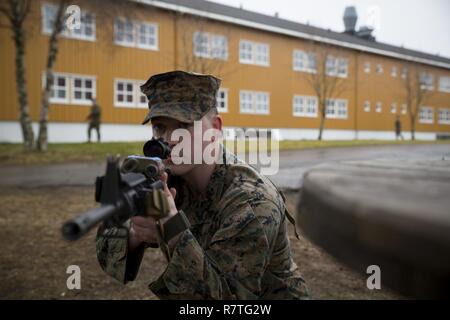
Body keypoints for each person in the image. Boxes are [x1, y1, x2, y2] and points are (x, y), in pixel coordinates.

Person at [95, 70, 309, 299]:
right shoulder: (165, 177)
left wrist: (172, 230)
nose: (168, 139)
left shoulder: (252, 201)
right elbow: (106, 254)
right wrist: (136, 234)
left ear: (215, 128)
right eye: (159, 127)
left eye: (183, 125)